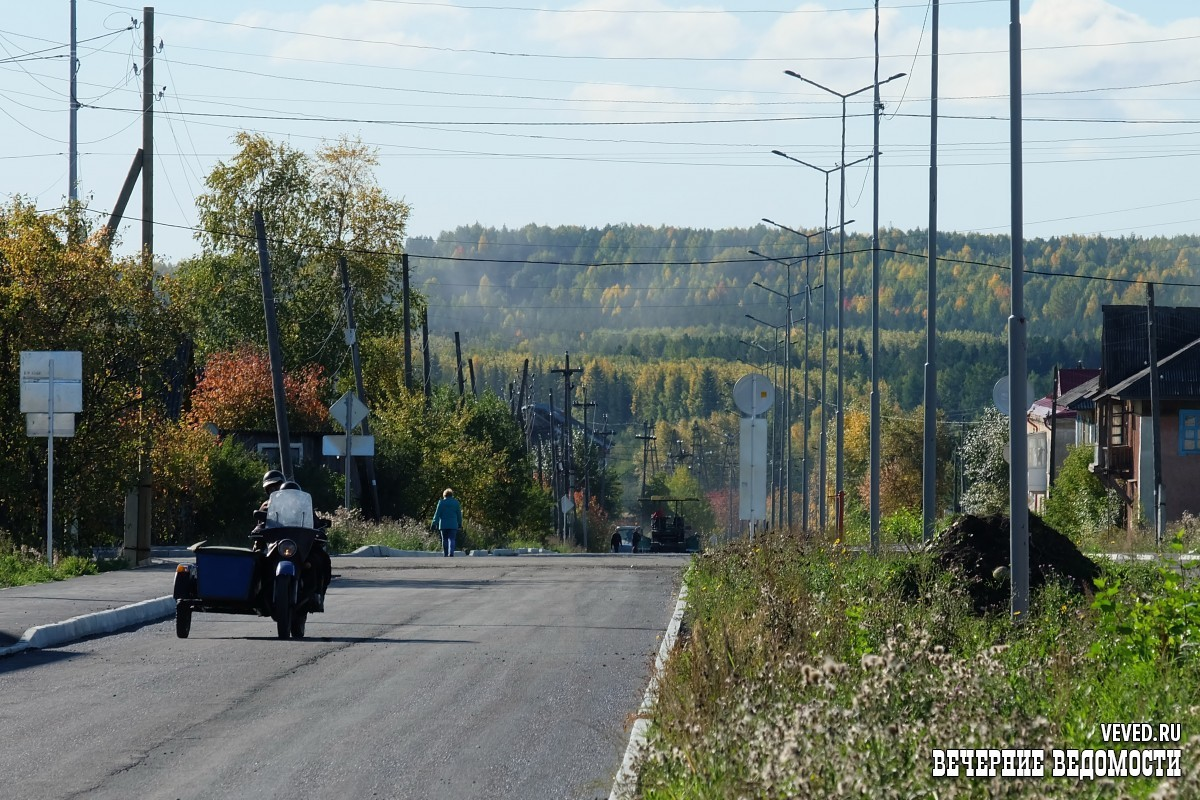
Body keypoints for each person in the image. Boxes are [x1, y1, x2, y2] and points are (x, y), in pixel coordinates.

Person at [431, 488, 463, 557]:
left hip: (443, 524)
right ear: (452, 495)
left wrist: (434, 523)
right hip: (453, 524)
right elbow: (459, 514)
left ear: (444, 495)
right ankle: (451, 553)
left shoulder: (441, 502)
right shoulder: (456, 503)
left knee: (444, 539)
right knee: (452, 539)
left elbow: (437, 514)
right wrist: (460, 523)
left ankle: (445, 553)